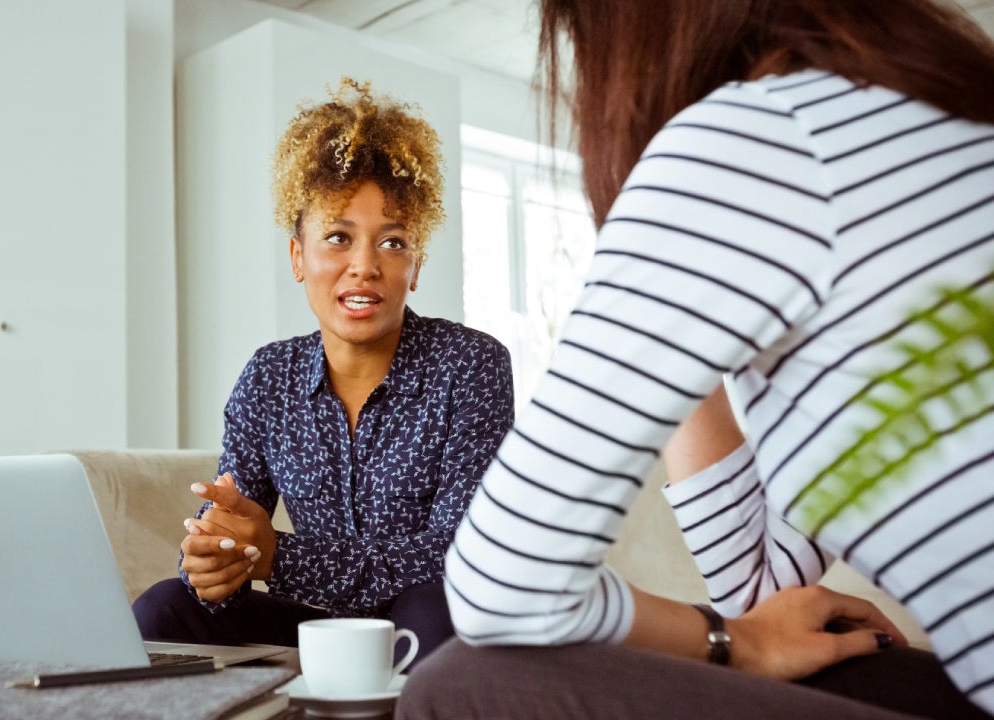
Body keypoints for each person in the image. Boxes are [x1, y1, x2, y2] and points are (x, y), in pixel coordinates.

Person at [397, 0, 994, 717]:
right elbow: (767, 600)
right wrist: (683, 337)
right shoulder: (930, 122)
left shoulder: (762, 136)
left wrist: (727, 640)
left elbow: (500, 583)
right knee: (818, 655)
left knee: (459, 681)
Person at [132, 78, 515, 669]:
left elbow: (460, 554)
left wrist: (277, 559)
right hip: (312, 624)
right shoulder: (269, 377)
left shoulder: (471, 365)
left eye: (393, 242)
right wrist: (213, 558)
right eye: (338, 237)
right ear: (297, 256)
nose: (364, 266)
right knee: (161, 610)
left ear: (415, 267)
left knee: (436, 614)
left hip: (423, 617)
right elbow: (233, 526)